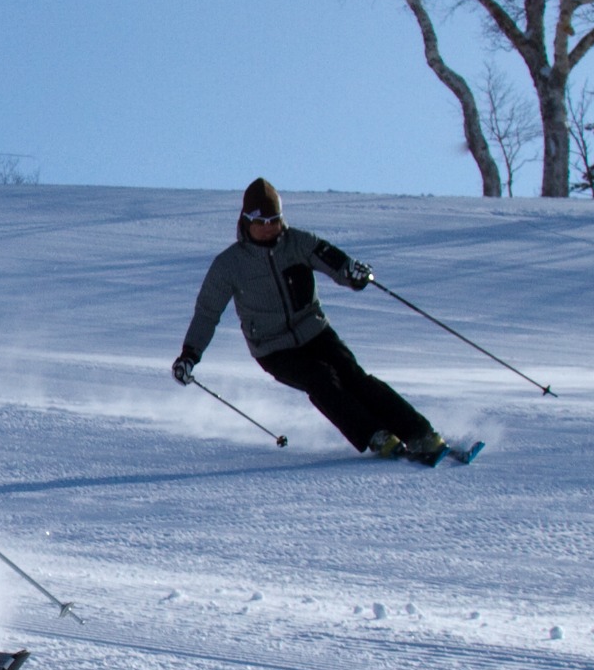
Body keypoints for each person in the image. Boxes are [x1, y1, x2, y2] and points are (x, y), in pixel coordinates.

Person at [173, 177, 449, 464]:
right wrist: (189, 355)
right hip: (273, 348)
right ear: (245, 222)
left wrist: (354, 275)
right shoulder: (229, 265)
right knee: (321, 379)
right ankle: (375, 435)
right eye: (260, 221)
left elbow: (336, 263)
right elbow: (207, 313)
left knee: (353, 376)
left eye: (274, 220)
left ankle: (420, 433)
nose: (268, 228)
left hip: (315, 331)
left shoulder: (299, 243)